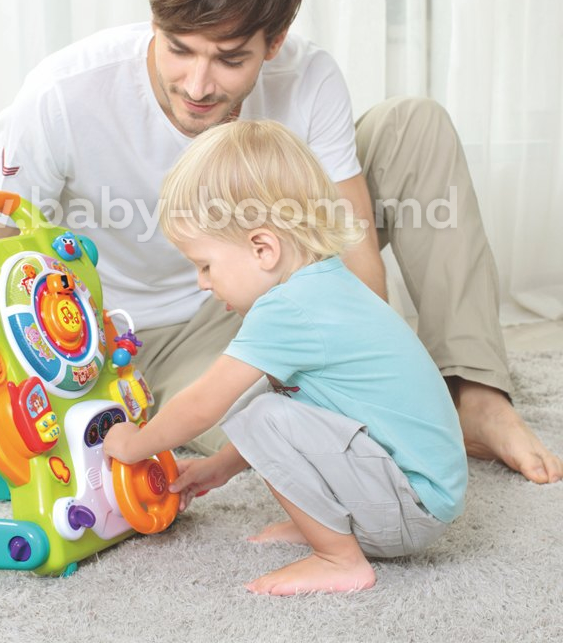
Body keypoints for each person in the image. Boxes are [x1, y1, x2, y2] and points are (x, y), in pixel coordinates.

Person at [0, 0, 562, 485]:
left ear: (274, 42)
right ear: (155, 21)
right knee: (284, 432)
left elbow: (358, 262)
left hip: (279, 288)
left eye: (230, 58)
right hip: (145, 335)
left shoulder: (309, 77)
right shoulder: (62, 95)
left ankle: (476, 394)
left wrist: (366, 374)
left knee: (414, 124)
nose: (198, 85)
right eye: (178, 48)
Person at [103, 118, 468, 595]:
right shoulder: (326, 285)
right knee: (264, 399)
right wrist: (219, 468)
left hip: (410, 506)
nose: (202, 283)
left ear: (263, 248)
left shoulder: (287, 309)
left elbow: (203, 404)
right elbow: (317, 414)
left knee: (256, 413)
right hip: (418, 495)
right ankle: (336, 520)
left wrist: (135, 444)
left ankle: (338, 557)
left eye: (205, 265)